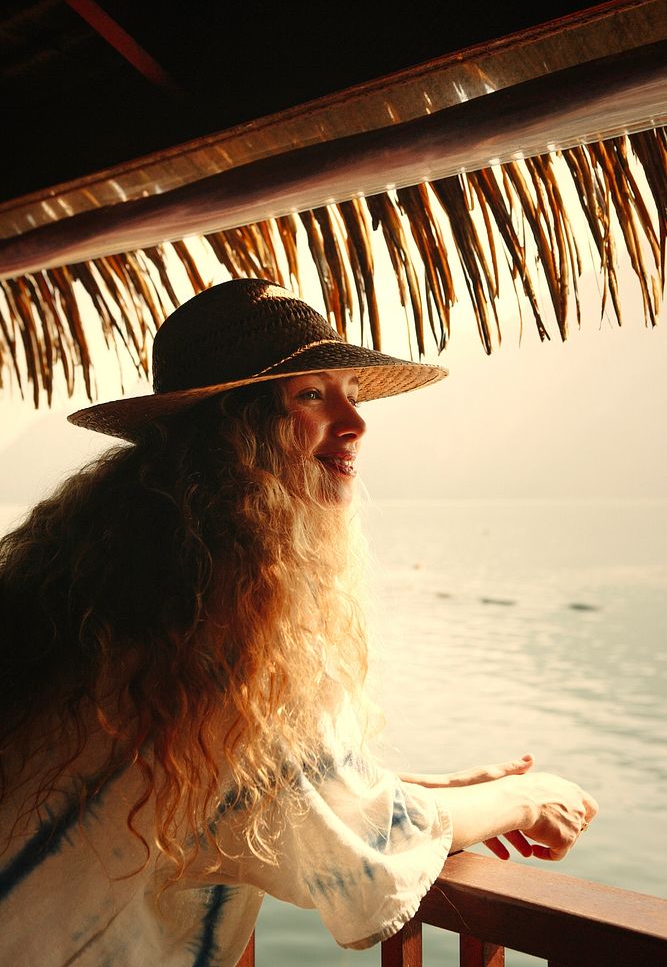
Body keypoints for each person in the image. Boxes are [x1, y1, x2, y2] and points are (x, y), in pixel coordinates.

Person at [0, 278, 598, 966]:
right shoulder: (225, 620)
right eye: (312, 395)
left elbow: (246, 786)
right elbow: (367, 855)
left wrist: (430, 789)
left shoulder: (107, 592)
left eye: (348, 389)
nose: (355, 421)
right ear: (232, 430)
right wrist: (528, 796)